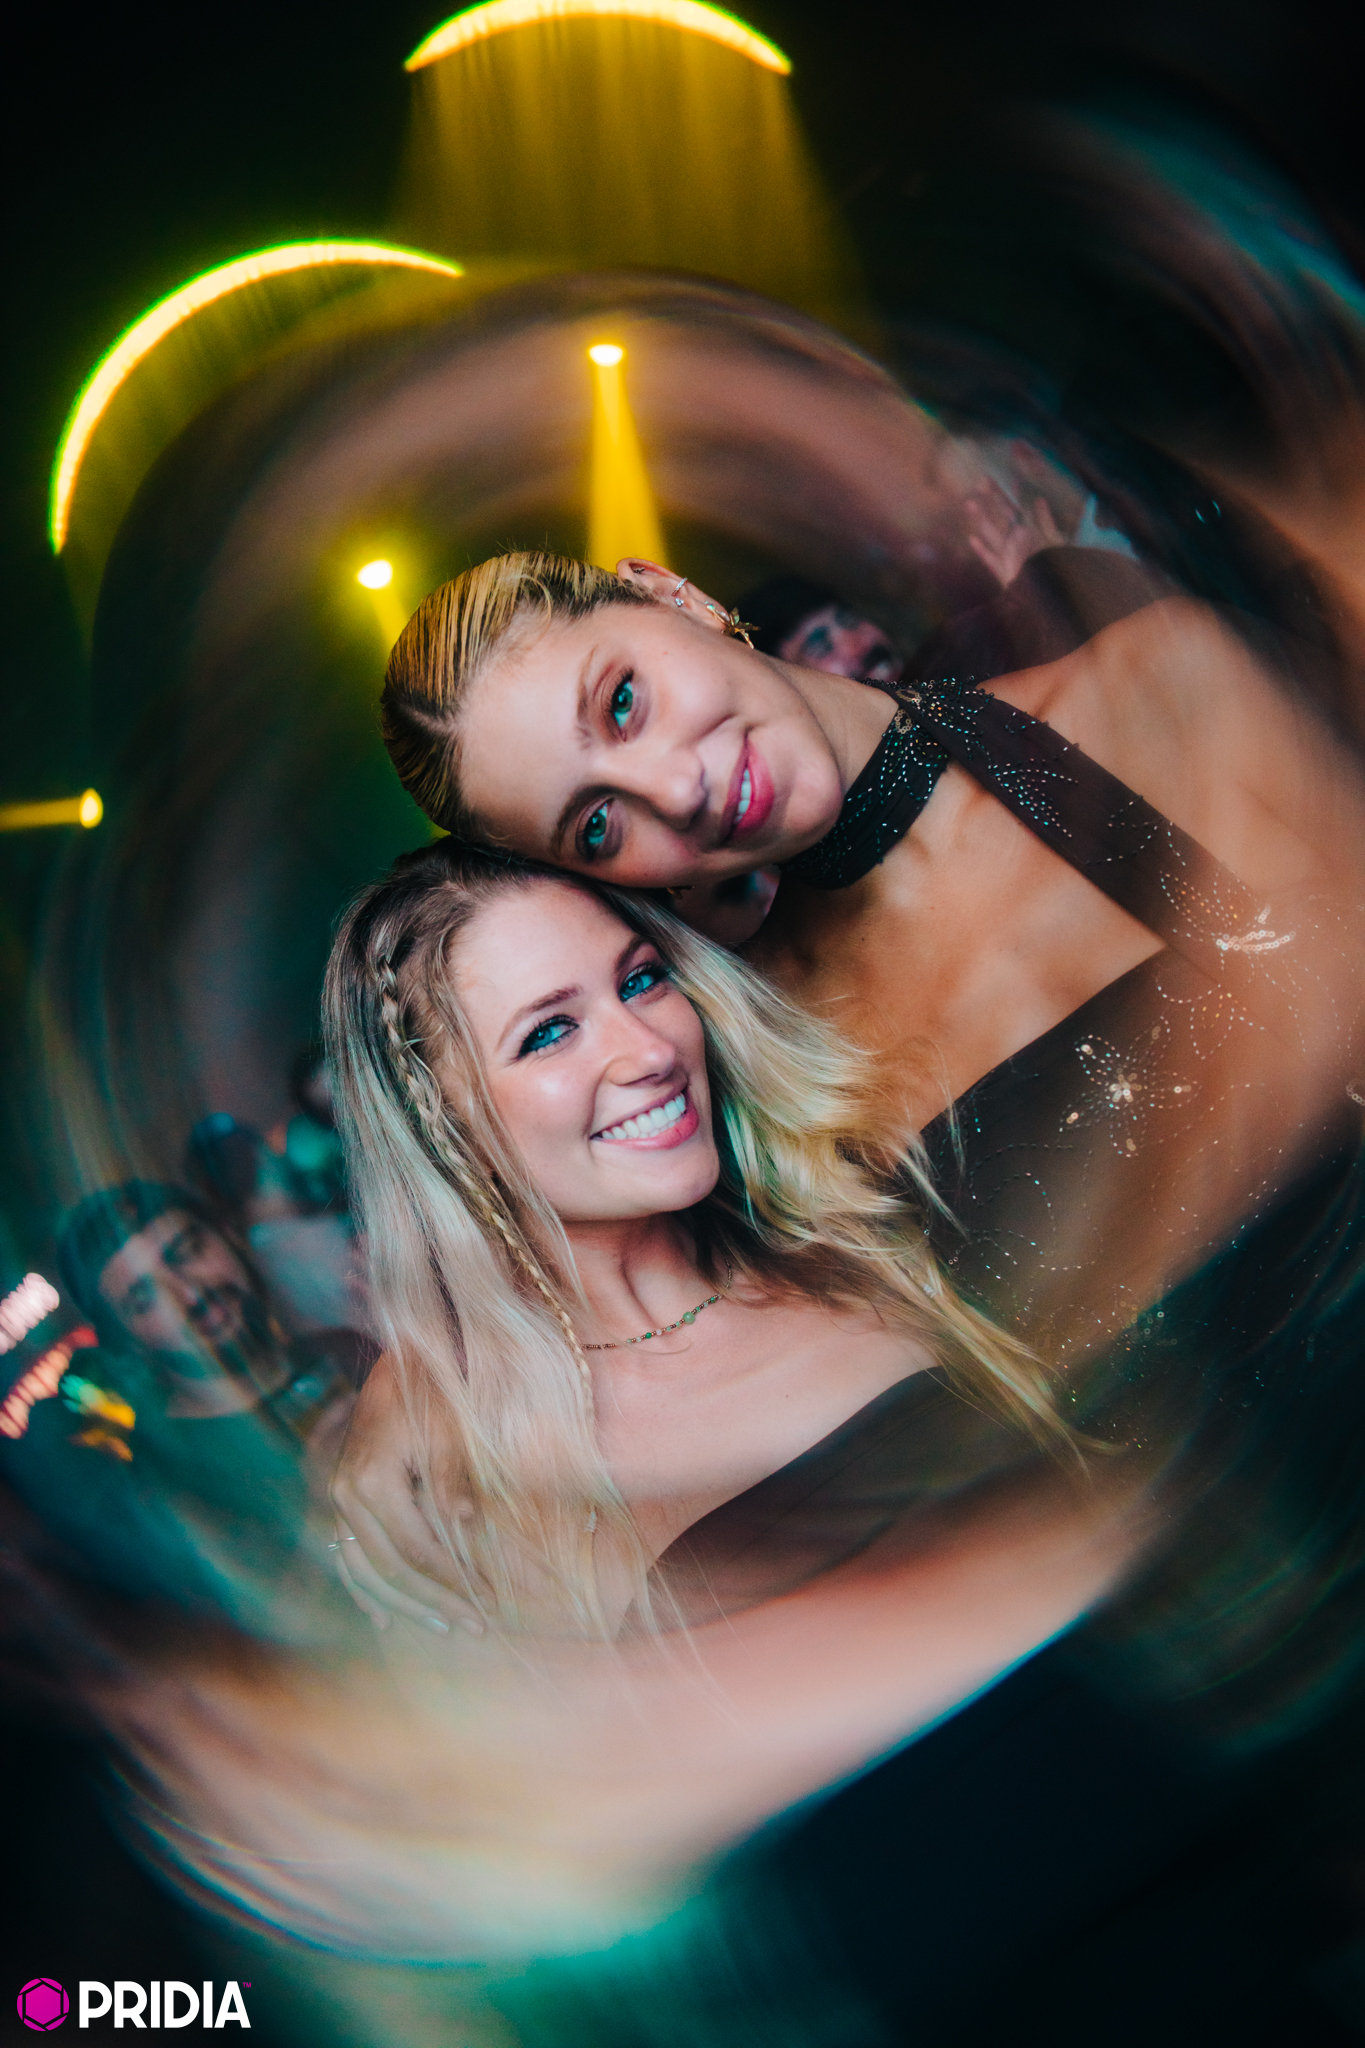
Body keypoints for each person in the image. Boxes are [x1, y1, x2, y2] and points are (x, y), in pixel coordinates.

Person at [375, 550, 1365, 1359]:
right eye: (597, 824)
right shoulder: (758, 1058)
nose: (673, 791)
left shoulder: (1161, 688)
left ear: (673, 594)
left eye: (622, 701)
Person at [1, 1181, 356, 1623]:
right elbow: (278, 1632)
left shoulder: (344, 1348)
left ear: (228, 1234)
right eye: (145, 1298)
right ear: (128, 1341)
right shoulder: (175, 1480)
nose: (190, 1294)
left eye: (187, 1252)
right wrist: (325, 1505)